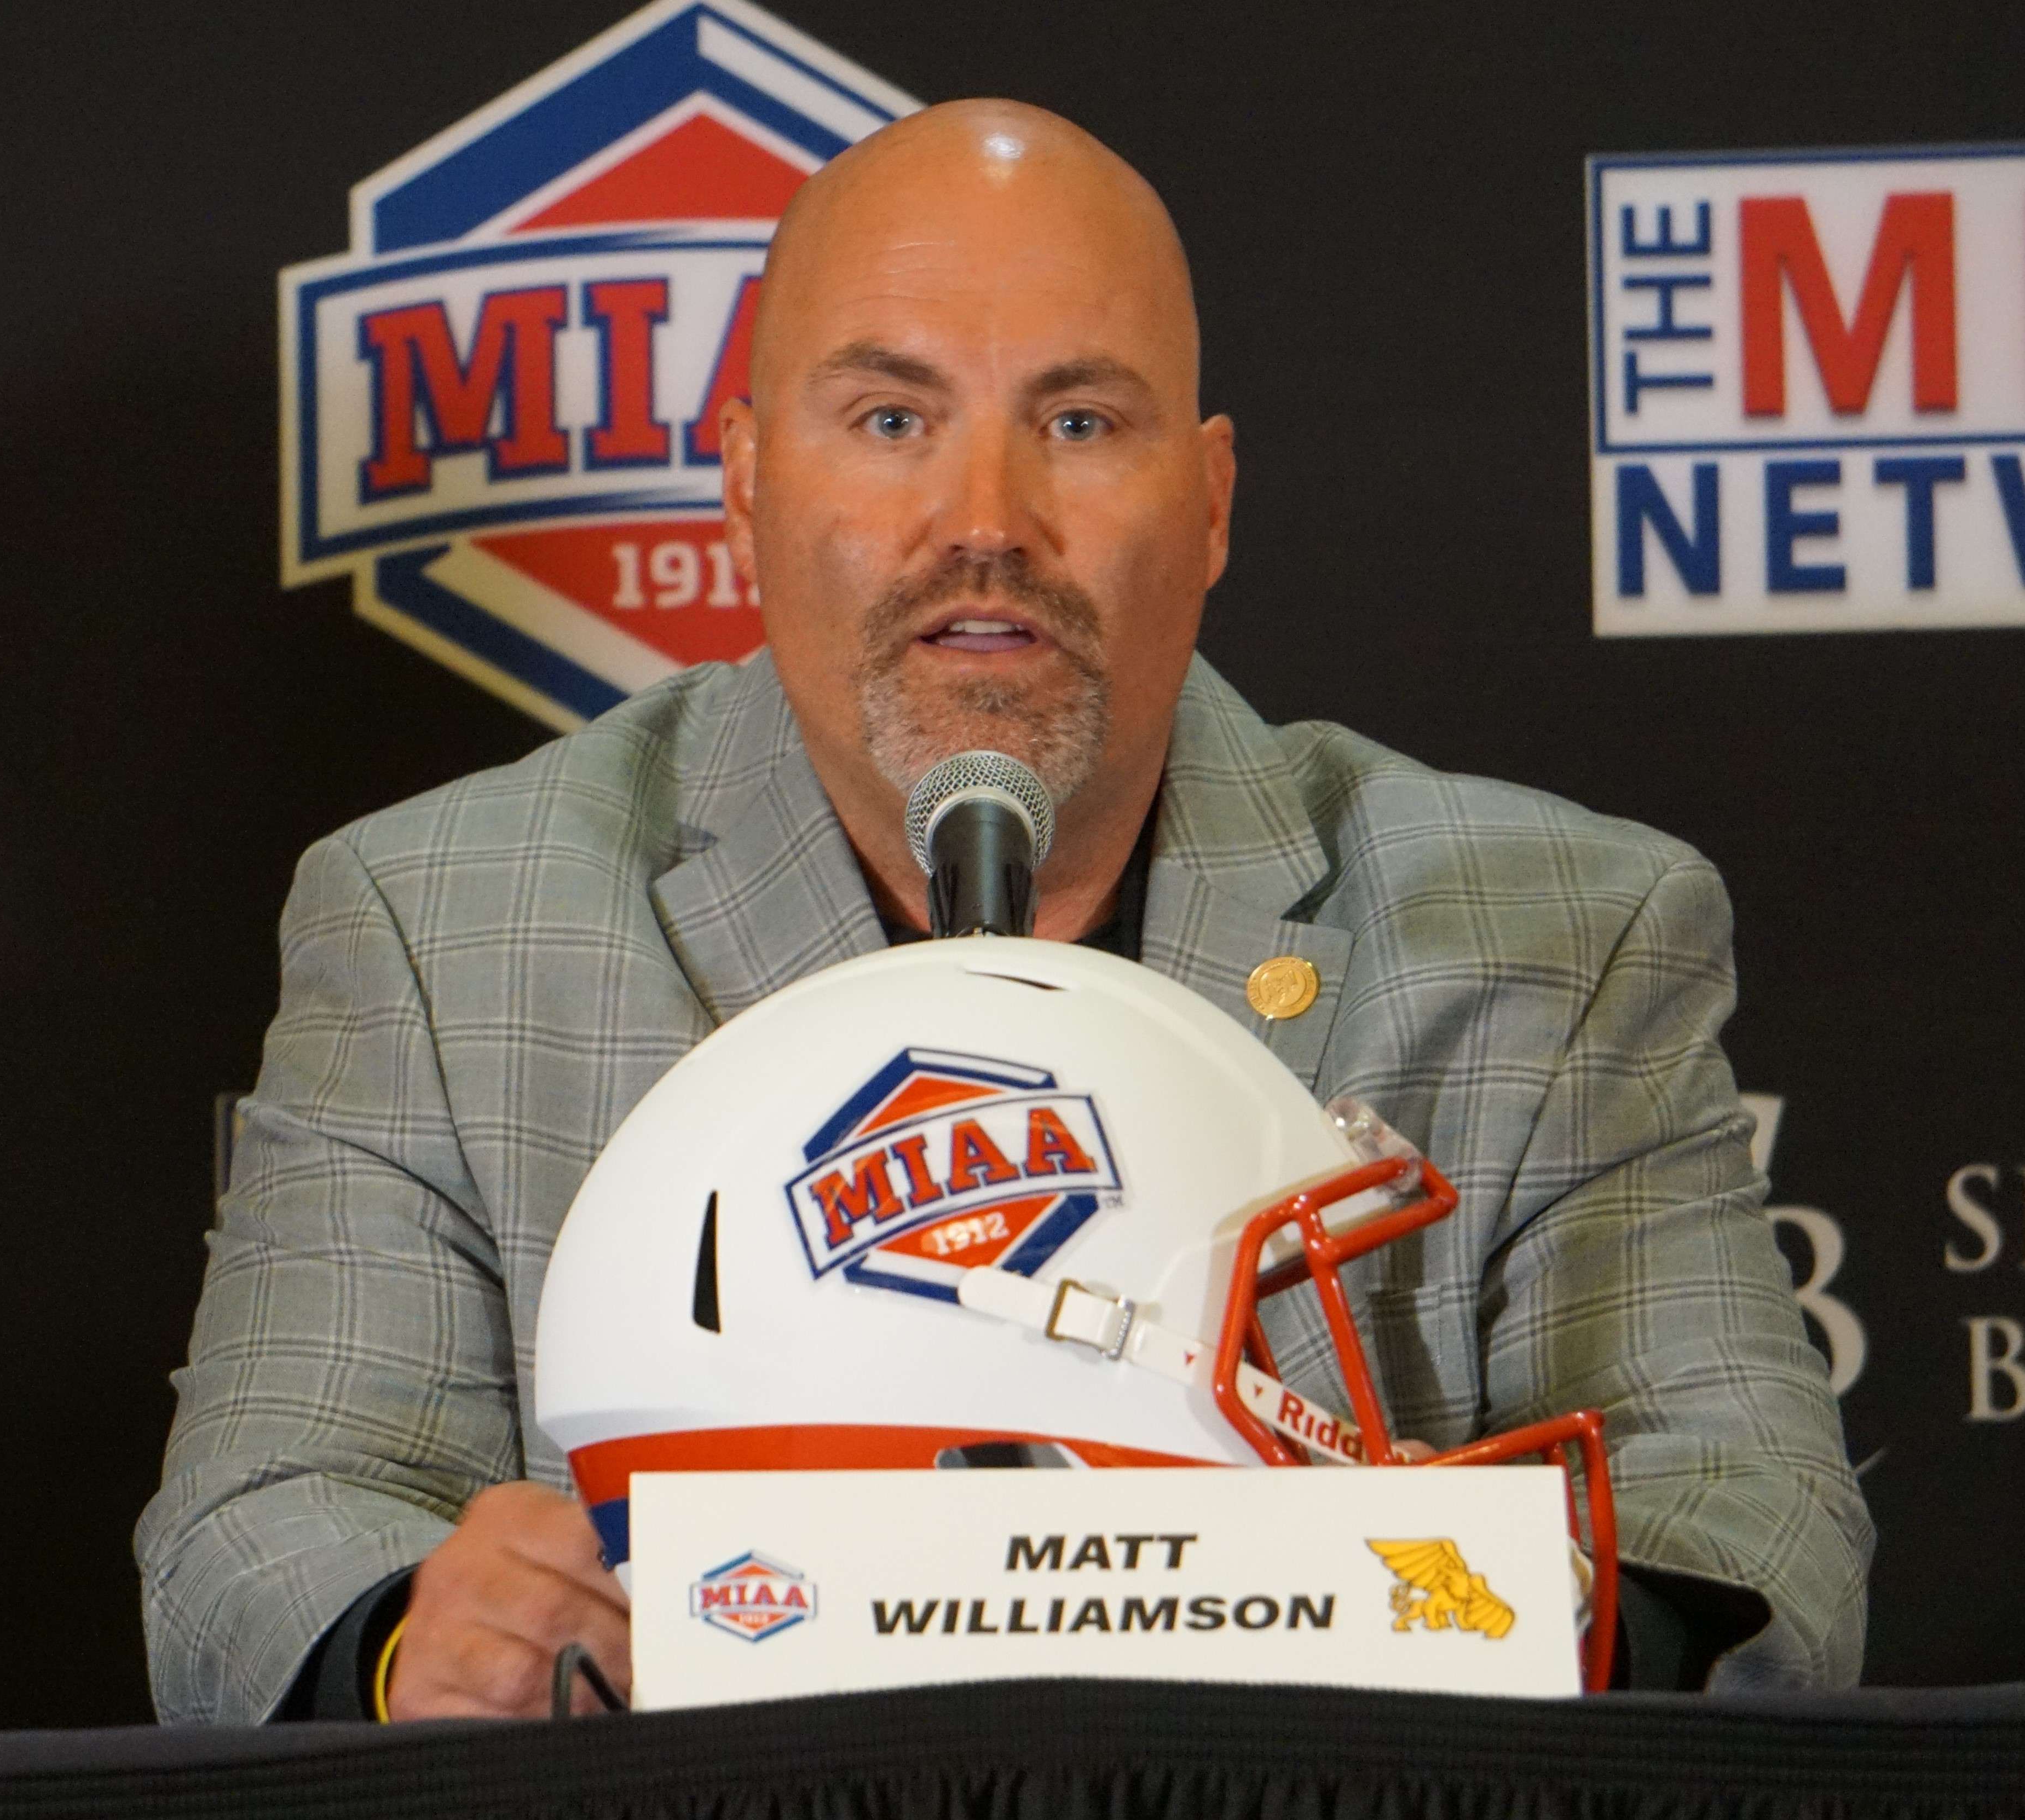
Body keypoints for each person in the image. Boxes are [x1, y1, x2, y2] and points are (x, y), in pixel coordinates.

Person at [137, 100, 1872, 1724]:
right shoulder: (447, 920)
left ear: (1209, 503)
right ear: (745, 482)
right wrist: (418, 1638)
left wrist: (1452, 1618)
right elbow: (259, 1522)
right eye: (891, 420)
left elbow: (1752, 1528)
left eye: (1080, 422)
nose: (987, 524)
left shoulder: (1562, 928)